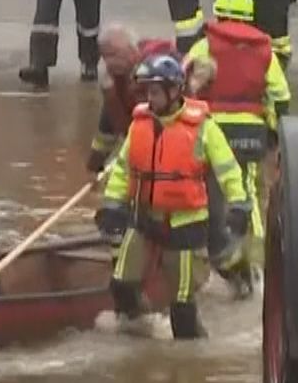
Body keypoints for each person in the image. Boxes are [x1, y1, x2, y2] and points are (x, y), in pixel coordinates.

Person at [95, 54, 250, 340]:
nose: (150, 98)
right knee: (121, 285)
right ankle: (142, 329)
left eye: (155, 91)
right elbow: (123, 169)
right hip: (143, 221)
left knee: (182, 307)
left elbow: (227, 169)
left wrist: (239, 203)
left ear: (174, 90)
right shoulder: (140, 124)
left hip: (186, 227)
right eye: (147, 92)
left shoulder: (203, 127)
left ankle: (193, 357)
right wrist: (112, 204)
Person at [183, 0, 290, 296]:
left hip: (210, 131)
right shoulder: (265, 50)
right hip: (251, 134)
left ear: (218, 15)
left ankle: (216, 256)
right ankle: (256, 262)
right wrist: (274, 134)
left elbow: (180, 79)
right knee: (249, 196)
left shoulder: (205, 46)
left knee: (211, 195)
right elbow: (281, 96)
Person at [88, 23, 174, 174]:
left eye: (114, 55)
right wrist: (94, 169)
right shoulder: (115, 81)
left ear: (132, 50)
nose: (109, 63)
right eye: (105, 57)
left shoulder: (158, 68)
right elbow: (111, 130)